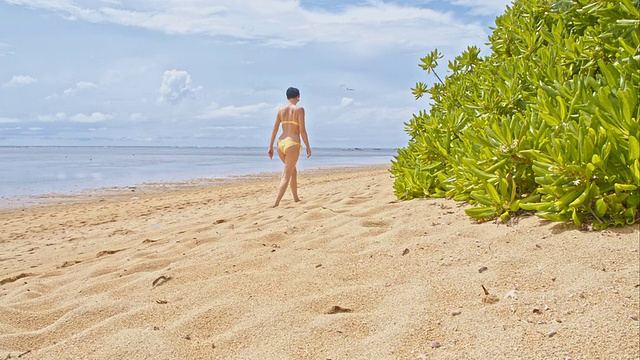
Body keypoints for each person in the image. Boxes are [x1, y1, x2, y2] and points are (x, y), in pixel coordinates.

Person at [268, 87, 312, 207]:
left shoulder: (281, 111)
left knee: (293, 171)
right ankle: (276, 203)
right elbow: (302, 131)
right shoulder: (299, 110)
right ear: (298, 96)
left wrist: (271, 146)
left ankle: (296, 198)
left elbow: (275, 129)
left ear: (287, 97)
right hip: (292, 144)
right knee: (286, 174)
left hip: (280, 144)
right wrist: (308, 146)